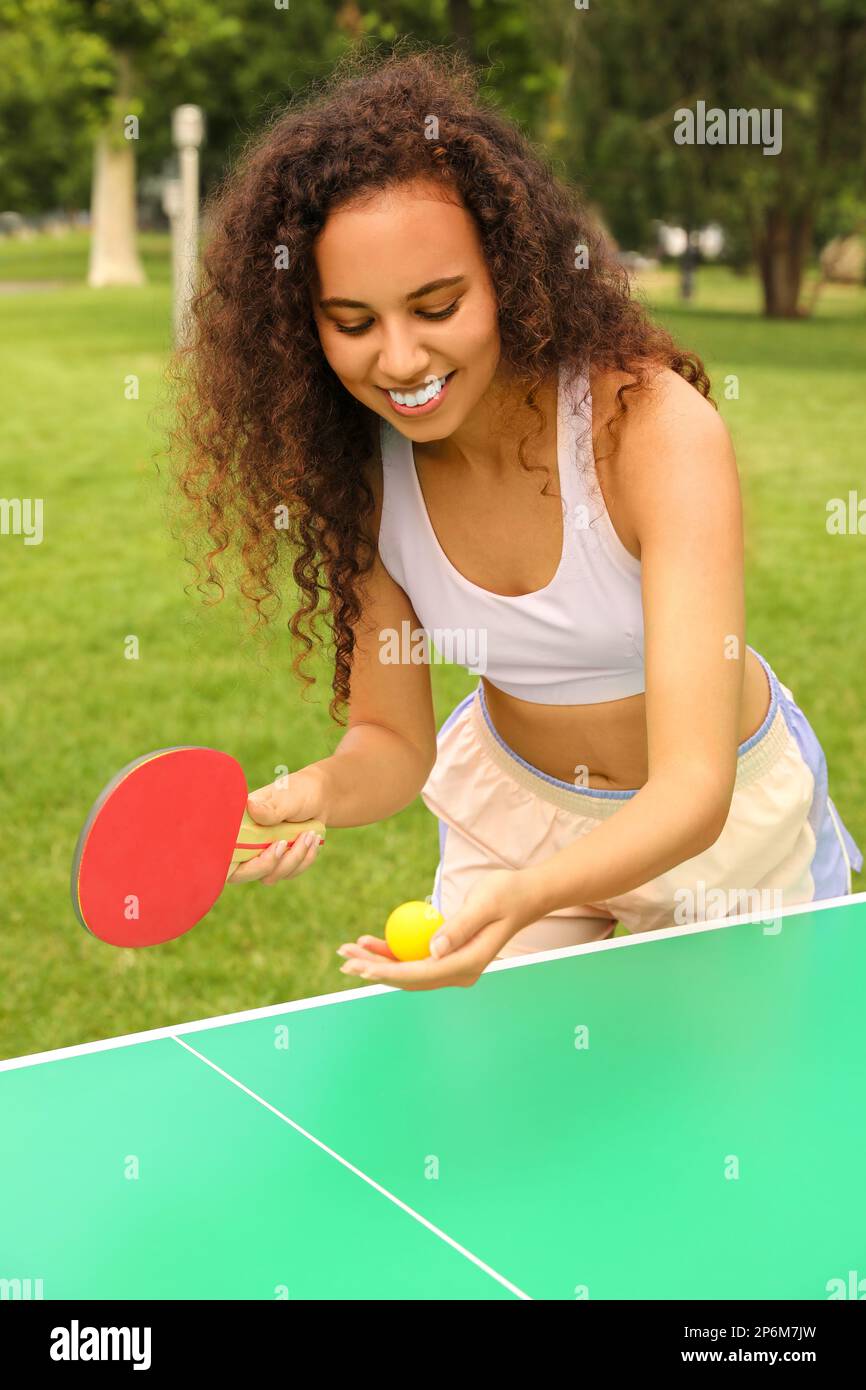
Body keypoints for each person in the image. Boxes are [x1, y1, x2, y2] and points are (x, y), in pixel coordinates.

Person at [169, 47, 862, 991]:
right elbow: (394, 742)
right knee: (480, 1089)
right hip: (517, 811)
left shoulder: (651, 431)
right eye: (354, 322)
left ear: (508, 272)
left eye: (437, 305)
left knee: (755, 1109)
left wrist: (531, 897)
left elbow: (694, 792)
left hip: (720, 829)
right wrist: (314, 793)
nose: (402, 359)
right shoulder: (361, 474)